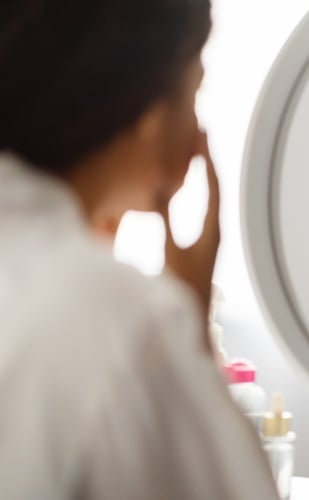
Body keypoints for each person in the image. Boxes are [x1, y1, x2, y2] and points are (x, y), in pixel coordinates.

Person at [0, 1, 279, 498]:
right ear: (151, 114)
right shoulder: (117, 314)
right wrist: (189, 332)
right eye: (195, 94)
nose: (197, 138)